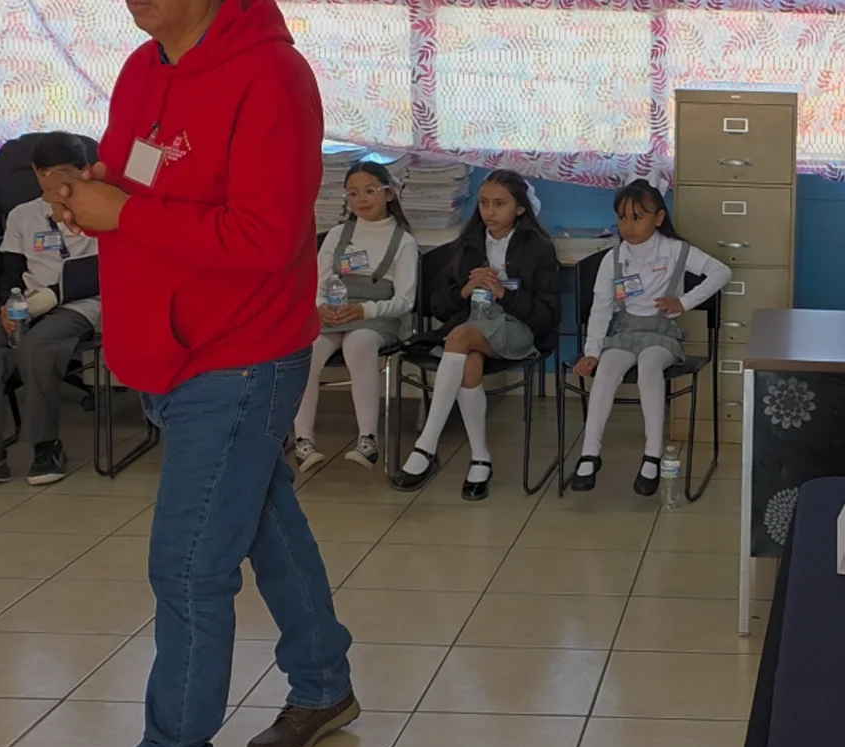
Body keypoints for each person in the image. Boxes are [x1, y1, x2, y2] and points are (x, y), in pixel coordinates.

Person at [44, 0, 356, 747]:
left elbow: (266, 239)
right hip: (161, 350)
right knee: (264, 518)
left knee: (188, 567)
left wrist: (121, 216)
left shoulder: (273, 79)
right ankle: (321, 683)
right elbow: (136, 183)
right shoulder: (143, 68)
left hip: (242, 351)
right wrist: (84, 197)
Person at [388, 169, 559, 499]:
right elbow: (438, 305)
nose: (489, 212)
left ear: (520, 208)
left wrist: (503, 293)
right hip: (472, 324)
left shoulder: (538, 248)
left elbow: (547, 317)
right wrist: (465, 290)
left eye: (499, 204)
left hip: (516, 327)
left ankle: (426, 446)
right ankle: (481, 458)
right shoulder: (467, 244)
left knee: (461, 339)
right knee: (469, 360)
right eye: (483, 203)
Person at [0, 132, 101, 485]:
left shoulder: (99, 212)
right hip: (26, 305)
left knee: (37, 346)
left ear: (84, 170)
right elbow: (11, 271)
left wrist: (46, 300)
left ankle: (46, 446)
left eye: (64, 172)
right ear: (35, 172)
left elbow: (102, 274)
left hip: (81, 306)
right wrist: (7, 305)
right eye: (45, 173)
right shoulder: (22, 215)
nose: (53, 180)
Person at [567, 179, 729, 495]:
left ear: (657, 217)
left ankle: (652, 454)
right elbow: (601, 310)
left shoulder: (676, 251)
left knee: (649, 367)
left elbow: (722, 272)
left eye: (637, 217)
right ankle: (589, 453)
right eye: (622, 217)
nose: (628, 226)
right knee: (607, 370)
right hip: (624, 332)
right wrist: (592, 352)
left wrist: (683, 302)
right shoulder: (612, 259)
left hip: (661, 333)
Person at [292, 160, 418, 472]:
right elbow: (317, 281)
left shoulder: (403, 241)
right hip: (332, 313)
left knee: (358, 344)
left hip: (376, 316)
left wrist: (365, 310)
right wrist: (322, 306)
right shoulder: (337, 235)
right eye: (353, 193)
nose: (362, 199)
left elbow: (405, 300)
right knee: (306, 350)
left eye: (370, 191)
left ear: (388, 194)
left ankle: (367, 439)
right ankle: (302, 439)